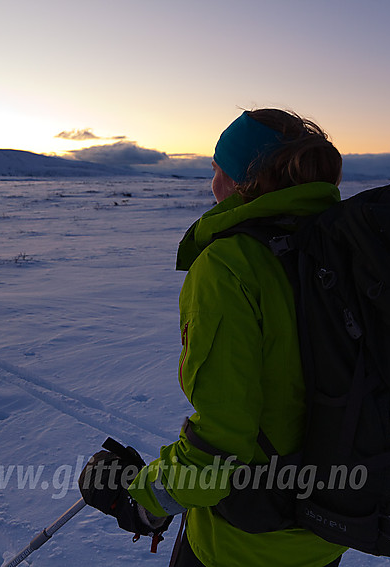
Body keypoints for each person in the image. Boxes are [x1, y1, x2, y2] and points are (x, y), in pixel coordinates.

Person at [80, 109, 347, 566]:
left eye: (217, 169)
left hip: (244, 541)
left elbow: (221, 446)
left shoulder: (230, 266)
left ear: (242, 181)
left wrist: (140, 503)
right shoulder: (339, 246)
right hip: (332, 523)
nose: (212, 182)